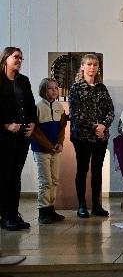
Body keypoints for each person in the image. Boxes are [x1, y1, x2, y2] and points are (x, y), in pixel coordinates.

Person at [68, 53, 114, 218]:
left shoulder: (102, 88)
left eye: (95, 65)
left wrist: (103, 126)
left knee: (97, 170)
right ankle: (82, 206)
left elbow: (110, 110)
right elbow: (75, 114)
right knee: (82, 170)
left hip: (100, 136)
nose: (92, 68)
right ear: (82, 67)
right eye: (89, 64)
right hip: (82, 136)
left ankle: (96, 205)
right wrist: (94, 126)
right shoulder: (76, 88)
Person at [0, 47, 36, 231]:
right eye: (16, 57)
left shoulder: (23, 81)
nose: (19, 60)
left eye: (21, 58)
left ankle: (14, 214)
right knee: (4, 176)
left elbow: (30, 104)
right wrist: (6, 125)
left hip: (22, 135)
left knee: (15, 176)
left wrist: (32, 124)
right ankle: (5, 216)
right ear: (6, 58)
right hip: (5, 136)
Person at [31, 78, 68, 224]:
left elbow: (62, 127)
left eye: (56, 88)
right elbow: (35, 131)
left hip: (55, 149)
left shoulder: (59, 106)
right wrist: (49, 146)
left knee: (54, 180)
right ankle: (43, 211)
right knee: (45, 181)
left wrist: (59, 143)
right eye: (50, 88)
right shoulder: (37, 107)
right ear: (43, 90)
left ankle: (51, 209)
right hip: (41, 150)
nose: (54, 91)